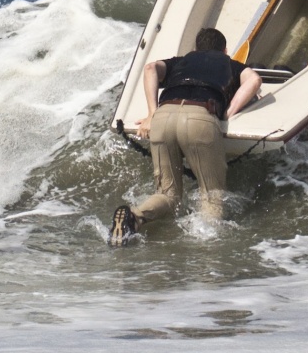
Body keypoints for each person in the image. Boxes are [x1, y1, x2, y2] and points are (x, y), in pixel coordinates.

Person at [110, 27, 261, 246]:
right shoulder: (230, 63)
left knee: (168, 194)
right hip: (200, 117)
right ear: (225, 50)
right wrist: (227, 113)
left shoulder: (179, 61)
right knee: (211, 195)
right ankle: (203, 252)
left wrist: (152, 113)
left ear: (195, 49)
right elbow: (254, 80)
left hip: (163, 117)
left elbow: (150, 68)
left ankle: (135, 217)